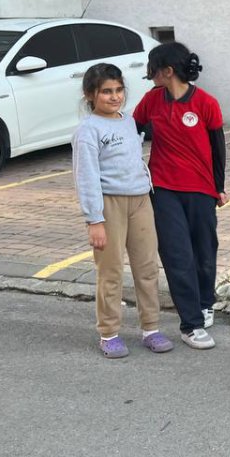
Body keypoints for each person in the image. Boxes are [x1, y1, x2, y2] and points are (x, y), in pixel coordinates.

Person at [72, 63, 173, 358]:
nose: (114, 97)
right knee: (111, 271)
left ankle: (151, 328)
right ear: (91, 95)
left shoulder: (128, 121)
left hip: (140, 200)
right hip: (109, 204)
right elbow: (86, 176)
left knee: (147, 269)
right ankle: (109, 333)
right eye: (106, 92)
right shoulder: (88, 130)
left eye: (118, 90)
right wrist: (95, 220)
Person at [133, 42, 228, 351]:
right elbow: (131, 131)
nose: (149, 76)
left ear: (167, 71)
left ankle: (204, 302)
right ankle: (191, 325)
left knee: (204, 251)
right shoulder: (151, 101)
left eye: (153, 69)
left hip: (201, 189)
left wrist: (219, 186)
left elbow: (218, 148)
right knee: (177, 256)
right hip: (163, 189)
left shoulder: (205, 103)